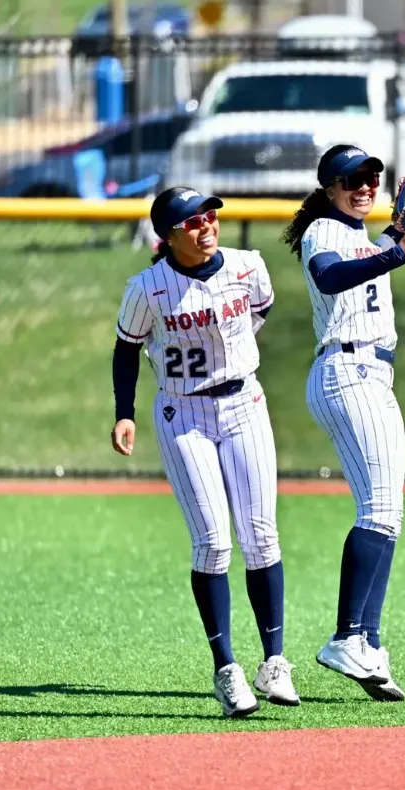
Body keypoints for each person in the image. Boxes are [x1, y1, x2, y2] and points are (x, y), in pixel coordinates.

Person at [111, 187, 297, 718]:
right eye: (191, 221)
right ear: (168, 236)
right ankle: (227, 669)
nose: (206, 224)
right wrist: (124, 411)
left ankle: (275, 662)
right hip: (183, 414)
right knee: (214, 543)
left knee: (261, 536)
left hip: (244, 402)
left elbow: (258, 313)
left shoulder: (247, 266)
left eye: (209, 214)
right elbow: (126, 349)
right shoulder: (148, 288)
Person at [280, 145, 405, 702]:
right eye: (352, 178)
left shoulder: (364, 238)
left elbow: (375, 255)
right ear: (329, 187)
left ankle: (368, 643)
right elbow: (331, 279)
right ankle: (346, 636)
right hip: (347, 369)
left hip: (371, 374)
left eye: (373, 176)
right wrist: (397, 254)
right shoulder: (325, 230)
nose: (365, 184)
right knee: (378, 509)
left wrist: (399, 240)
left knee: (388, 513)